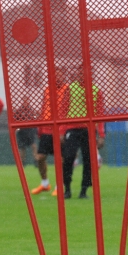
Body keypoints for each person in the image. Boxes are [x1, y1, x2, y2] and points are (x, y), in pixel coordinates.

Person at [61, 65, 105, 199]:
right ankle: (67, 188)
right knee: (68, 158)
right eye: (81, 73)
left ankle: (84, 190)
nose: (83, 76)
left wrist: (101, 134)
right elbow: (63, 110)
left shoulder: (96, 91)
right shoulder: (70, 89)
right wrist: (61, 130)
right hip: (72, 129)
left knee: (88, 160)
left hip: (88, 129)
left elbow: (100, 114)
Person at [30, 67, 69, 196]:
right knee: (40, 157)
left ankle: (59, 186)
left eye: (59, 75)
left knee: (61, 159)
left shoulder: (66, 89)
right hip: (46, 129)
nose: (57, 78)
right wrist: (40, 127)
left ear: (63, 77)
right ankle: (45, 183)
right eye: (55, 75)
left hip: (60, 129)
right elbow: (43, 108)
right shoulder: (47, 90)